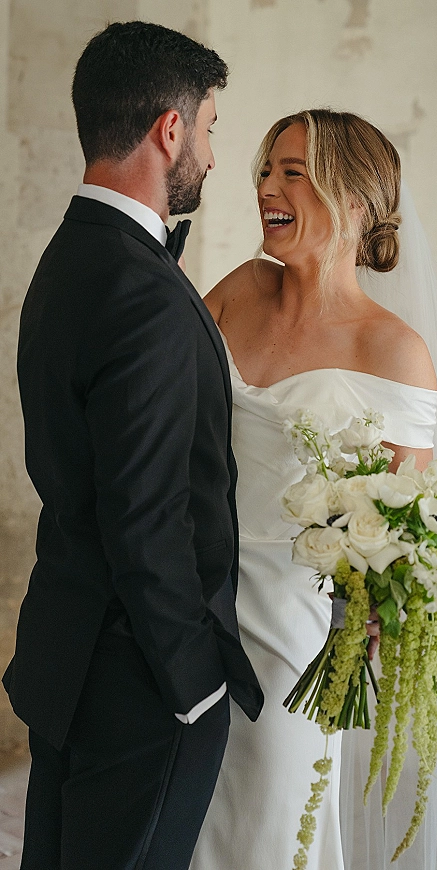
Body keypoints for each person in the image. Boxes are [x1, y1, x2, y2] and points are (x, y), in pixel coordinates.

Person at [191, 110, 437, 869]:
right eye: (266, 170)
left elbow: (404, 526)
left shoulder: (393, 350)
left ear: (356, 203)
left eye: (292, 173)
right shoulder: (239, 289)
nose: (266, 186)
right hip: (186, 602)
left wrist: (368, 622)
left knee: (266, 827)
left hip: (292, 637)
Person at [2, 21, 262, 870]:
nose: (213, 158)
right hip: (140, 681)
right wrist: (195, 686)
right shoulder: (142, 291)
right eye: (210, 128)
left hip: (66, 655)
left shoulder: (67, 258)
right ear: (170, 128)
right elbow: (146, 517)